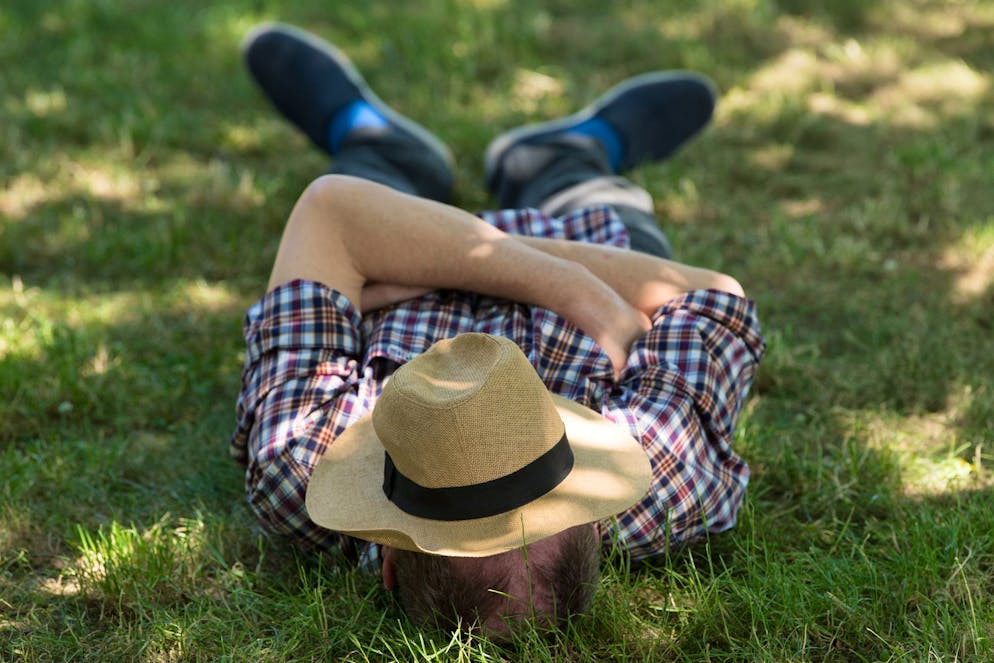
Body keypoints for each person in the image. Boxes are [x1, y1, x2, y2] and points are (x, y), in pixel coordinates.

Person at [230, 22, 766, 638]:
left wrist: (493, 264)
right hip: (575, 249)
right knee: (605, 203)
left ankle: (375, 138)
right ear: (601, 524)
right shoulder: (663, 476)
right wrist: (566, 279)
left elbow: (330, 211)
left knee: (370, 172)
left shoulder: (301, 466)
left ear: (388, 565)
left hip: (421, 255)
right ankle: (569, 154)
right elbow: (710, 292)